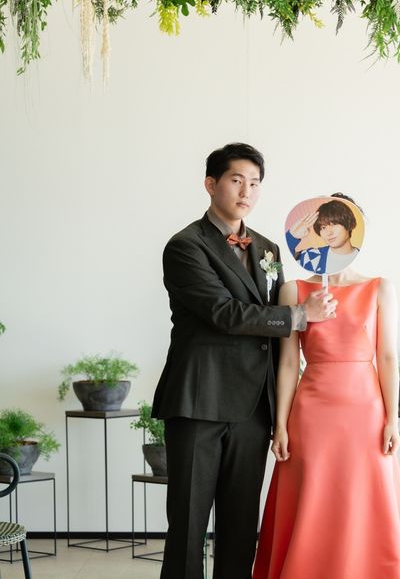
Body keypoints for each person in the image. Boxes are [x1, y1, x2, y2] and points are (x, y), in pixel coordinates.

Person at [151, 143, 337, 579]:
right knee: (188, 526)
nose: (246, 191)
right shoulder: (185, 246)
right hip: (200, 402)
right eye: (236, 180)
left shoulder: (268, 248)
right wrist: (298, 315)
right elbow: (224, 313)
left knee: (240, 527)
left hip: (254, 407)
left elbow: (277, 328)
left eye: (254, 183)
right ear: (210, 184)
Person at [253, 197, 400, 579]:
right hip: (311, 413)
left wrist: (392, 420)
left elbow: (388, 357)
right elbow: (287, 363)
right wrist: (280, 425)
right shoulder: (294, 290)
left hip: (365, 411)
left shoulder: (380, 287)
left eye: (335, 222)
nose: (328, 230)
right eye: (322, 225)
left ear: (353, 228)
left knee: (365, 497)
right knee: (313, 497)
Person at [285, 196, 360, 275]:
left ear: (349, 223)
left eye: (334, 224)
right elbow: (280, 267)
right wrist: (292, 237)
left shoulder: (364, 258)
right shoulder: (310, 256)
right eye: (323, 227)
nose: (329, 233)